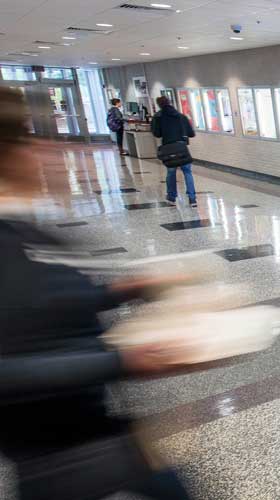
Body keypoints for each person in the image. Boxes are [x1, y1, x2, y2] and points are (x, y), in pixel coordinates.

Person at [0, 88, 193, 500]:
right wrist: (121, 361)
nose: (44, 149)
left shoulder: (22, 229)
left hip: (98, 435)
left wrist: (125, 289)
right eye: (30, 136)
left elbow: (49, 301)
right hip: (61, 460)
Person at [151, 96, 197, 207]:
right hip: (182, 148)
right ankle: (192, 199)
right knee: (187, 172)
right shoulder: (181, 116)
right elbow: (191, 133)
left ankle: (171, 197)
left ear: (159, 105)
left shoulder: (158, 117)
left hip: (168, 149)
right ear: (170, 102)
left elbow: (157, 134)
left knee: (171, 173)